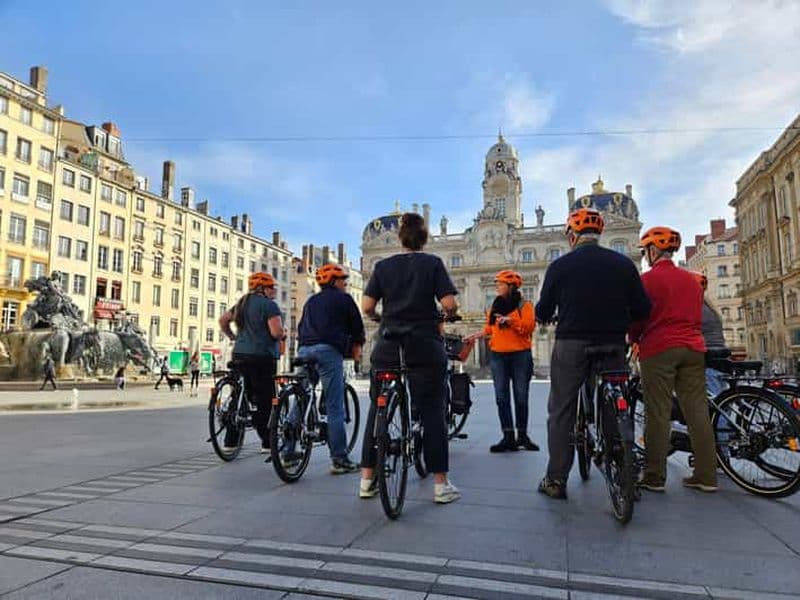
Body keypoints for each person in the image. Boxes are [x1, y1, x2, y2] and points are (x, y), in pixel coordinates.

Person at [536, 208, 651, 500]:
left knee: (561, 409)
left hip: (572, 342)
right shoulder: (623, 264)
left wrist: (548, 314)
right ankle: (624, 467)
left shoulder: (560, 266)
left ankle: (556, 479)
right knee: (617, 399)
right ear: (599, 235)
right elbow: (642, 309)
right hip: (612, 342)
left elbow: (543, 309)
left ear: (572, 236)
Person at [360, 212, 461, 504]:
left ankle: (367, 479)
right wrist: (450, 314)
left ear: (400, 238)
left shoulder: (383, 266)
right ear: (424, 237)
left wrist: (380, 316)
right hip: (424, 343)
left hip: (389, 344)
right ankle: (441, 485)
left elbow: (367, 305)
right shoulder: (432, 264)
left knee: (375, 411)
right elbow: (449, 303)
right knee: (432, 410)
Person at [630, 227, 718, 493]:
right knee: (698, 412)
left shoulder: (647, 280)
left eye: (646, 252)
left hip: (660, 348)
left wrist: (633, 338)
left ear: (653, 250)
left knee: (658, 413)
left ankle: (654, 476)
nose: (646, 256)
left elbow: (638, 318)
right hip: (693, 348)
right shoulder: (692, 281)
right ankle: (706, 476)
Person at [294, 263, 365, 474]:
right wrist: (357, 347)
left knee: (300, 397)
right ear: (335, 282)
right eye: (344, 280)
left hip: (304, 350)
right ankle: (339, 459)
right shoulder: (344, 299)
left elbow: (301, 327)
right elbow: (357, 326)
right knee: (335, 407)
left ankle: (287, 450)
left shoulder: (311, 301)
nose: (346, 284)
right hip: (328, 350)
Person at [466, 269, 538, 453]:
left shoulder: (524, 305)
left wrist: (511, 321)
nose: (497, 287)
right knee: (501, 397)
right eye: (497, 284)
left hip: (520, 355)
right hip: (498, 356)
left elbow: (529, 327)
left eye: (500, 284)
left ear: (511, 286)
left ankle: (522, 436)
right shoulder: (494, 306)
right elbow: (490, 328)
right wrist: (478, 334)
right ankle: (507, 437)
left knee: (521, 397)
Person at [219, 271, 284, 455]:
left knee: (238, 394)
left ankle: (230, 440)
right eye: (271, 287)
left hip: (239, 353)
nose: (274, 291)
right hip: (261, 356)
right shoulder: (269, 306)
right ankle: (267, 441)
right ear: (262, 288)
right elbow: (276, 333)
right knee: (264, 399)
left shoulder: (241, 304)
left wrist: (233, 336)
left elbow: (223, 320)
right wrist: (283, 333)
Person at [690, 271, 728, 397]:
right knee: (722, 401)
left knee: (716, 401)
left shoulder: (694, 308)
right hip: (721, 358)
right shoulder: (710, 307)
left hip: (707, 359)